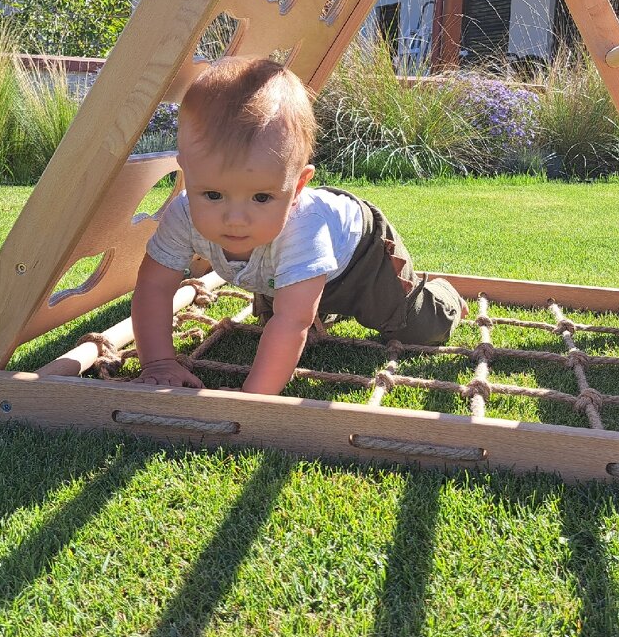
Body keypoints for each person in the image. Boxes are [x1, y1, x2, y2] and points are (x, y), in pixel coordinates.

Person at [131, 56, 466, 394]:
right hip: (281, 271)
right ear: (186, 169)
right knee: (276, 315)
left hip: (361, 258)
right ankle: (298, 293)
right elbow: (154, 286)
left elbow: (293, 323)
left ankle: (444, 297)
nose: (235, 219)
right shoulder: (182, 215)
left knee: (415, 328)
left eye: (261, 197)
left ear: (297, 188)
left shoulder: (303, 228)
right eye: (213, 194)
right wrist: (158, 363)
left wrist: (251, 400)